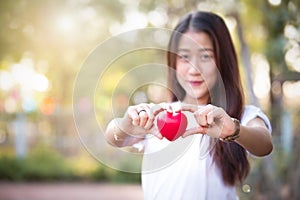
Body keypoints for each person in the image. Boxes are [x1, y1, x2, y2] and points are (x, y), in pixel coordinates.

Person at [105, 11, 273, 200]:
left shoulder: (239, 116)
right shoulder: (159, 115)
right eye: (184, 57)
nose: (194, 69)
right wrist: (127, 125)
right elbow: (113, 136)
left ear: (223, 61)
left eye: (205, 57)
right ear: (173, 62)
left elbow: (264, 144)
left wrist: (234, 130)